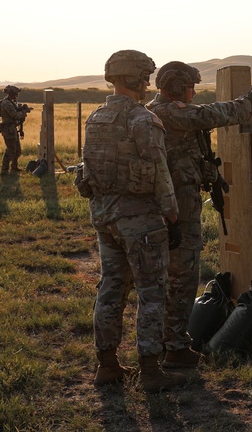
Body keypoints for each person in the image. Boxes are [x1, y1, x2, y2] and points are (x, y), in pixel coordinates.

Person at [146, 61, 252, 370]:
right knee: (183, 272)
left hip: (169, 198)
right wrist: (248, 102)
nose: (192, 93)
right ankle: (173, 346)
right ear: (175, 87)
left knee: (170, 273)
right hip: (177, 202)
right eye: (189, 88)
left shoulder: (158, 109)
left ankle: (164, 340)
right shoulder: (168, 112)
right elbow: (210, 115)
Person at [75, 50, 184, 392]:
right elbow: (158, 171)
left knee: (110, 288)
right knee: (151, 291)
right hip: (140, 220)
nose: (148, 83)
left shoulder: (96, 117)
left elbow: (87, 168)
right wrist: (172, 214)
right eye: (145, 77)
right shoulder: (141, 119)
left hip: (105, 217)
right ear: (136, 78)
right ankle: (150, 370)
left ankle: (106, 365)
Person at [0, 85, 32, 174]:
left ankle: (14, 167)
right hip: (8, 129)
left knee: (17, 150)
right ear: (12, 94)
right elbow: (15, 115)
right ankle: (4, 169)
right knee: (10, 149)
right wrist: (24, 112)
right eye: (16, 94)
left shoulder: (12, 102)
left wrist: (23, 109)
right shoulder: (7, 103)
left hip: (12, 128)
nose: (17, 95)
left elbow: (16, 110)